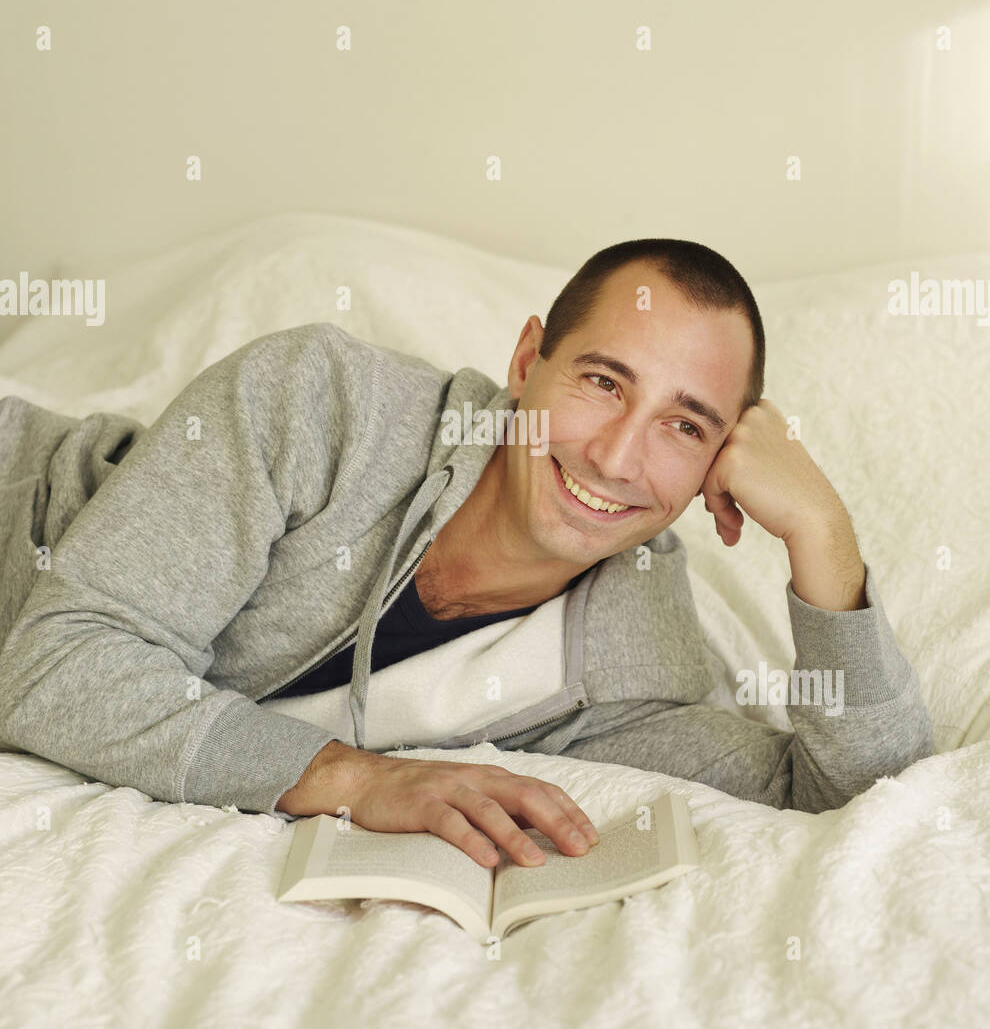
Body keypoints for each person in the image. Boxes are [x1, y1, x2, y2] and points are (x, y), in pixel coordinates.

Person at [0, 240, 934, 869]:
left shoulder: (635, 663)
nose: (615, 457)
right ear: (528, 360)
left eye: (683, 427)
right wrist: (357, 780)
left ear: (715, 467)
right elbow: (60, 660)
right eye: (603, 382)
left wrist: (825, 536)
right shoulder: (321, 402)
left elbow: (854, 794)